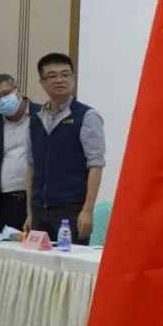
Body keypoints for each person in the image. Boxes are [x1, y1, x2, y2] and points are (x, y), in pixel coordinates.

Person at [25, 53, 106, 244]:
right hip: (39, 210)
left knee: (69, 261)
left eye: (65, 74)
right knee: (39, 263)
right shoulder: (35, 119)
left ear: (73, 78)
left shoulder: (87, 115)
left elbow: (96, 165)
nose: (59, 80)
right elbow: (30, 166)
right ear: (42, 83)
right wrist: (29, 212)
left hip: (71, 209)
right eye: (52, 76)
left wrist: (87, 210)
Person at [0, 74, 41, 231]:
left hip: (39, 201)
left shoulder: (44, 115)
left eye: (6, 94)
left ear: (17, 89)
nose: (2, 100)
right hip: (4, 203)